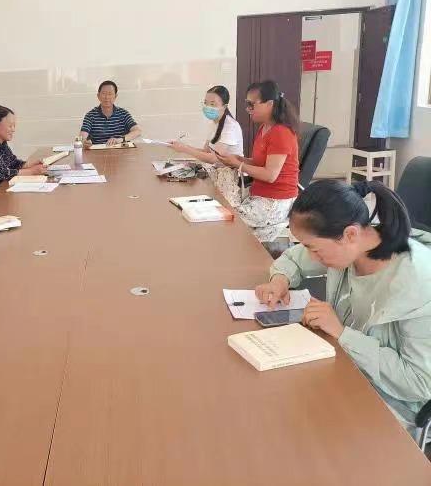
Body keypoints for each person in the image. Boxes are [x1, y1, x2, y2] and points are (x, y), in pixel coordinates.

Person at [255, 179, 431, 438]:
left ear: (350, 234)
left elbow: (419, 382)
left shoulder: (417, 283)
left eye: (315, 249)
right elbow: (296, 258)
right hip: (344, 366)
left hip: (391, 404)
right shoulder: (357, 243)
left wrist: (342, 333)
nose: (312, 257)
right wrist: (280, 279)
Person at [216, 80, 299, 242]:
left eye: (251, 104)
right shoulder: (265, 128)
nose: (248, 109)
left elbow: (270, 175)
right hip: (260, 195)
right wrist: (238, 159)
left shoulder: (281, 132)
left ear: (269, 104)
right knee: (220, 202)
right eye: (247, 104)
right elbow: (260, 163)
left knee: (225, 220)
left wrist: (238, 164)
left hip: (275, 202)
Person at [168, 85, 243, 162]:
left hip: (231, 169)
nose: (207, 107)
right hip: (217, 168)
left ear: (224, 106)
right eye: (205, 103)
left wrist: (185, 149)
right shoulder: (213, 123)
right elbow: (206, 152)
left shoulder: (230, 126)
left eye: (212, 104)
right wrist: (182, 146)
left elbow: (215, 158)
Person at [79, 80, 142, 147]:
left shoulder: (123, 114)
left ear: (115, 96)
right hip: (99, 152)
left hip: (120, 152)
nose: (107, 97)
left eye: (110, 94)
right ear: (98, 96)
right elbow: (82, 136)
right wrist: (84, 141)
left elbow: (137, 131)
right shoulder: (90, 116)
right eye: (104, 93)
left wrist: (120, 139)